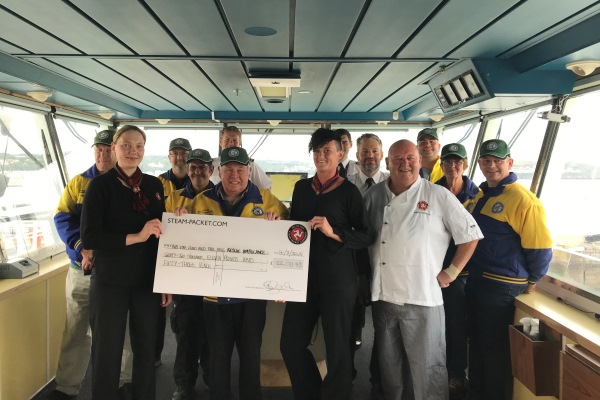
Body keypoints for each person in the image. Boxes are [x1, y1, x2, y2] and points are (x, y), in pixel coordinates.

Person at [363, 139, 482, 400]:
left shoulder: (438, 195)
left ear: (419, 161)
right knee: (390, 368)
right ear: (387, 163)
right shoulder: (372, 196)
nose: (404, 163)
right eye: (397, 158)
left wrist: (451, 272)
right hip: (383, 296)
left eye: (410, 158)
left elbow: (470, 235)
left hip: (423, 298)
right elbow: (361, 237)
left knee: (428, 368)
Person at [180, 146, 288, 400]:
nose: (234, 175)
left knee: (250, 358)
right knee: (217, 360)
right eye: (229, 170)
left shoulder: (267, 200)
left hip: (251, 299)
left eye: (240, 170)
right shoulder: (201, 200)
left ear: (249, 171)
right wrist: (181, 222)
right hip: (214, 298)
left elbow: (287, 240)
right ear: (219, 171)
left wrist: (279, 222)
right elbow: (187, 241)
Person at [280, 128, 375, 400]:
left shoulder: (349, 191)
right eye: (317, 151)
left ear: (340, 154)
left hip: (338, 281)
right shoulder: (301, 188)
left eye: (327, 151)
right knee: (290, 344)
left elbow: (367, 235)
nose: (321, 156)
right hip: (303, 280)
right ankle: (311, 392)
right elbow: (293, 232)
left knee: (339, 349)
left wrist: (335, 232)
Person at [81, 125, 172, 400]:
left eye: (139, 146)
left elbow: (160, 237)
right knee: (107, 351)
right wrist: (136, 236)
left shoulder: (154, 186)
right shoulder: (99, 186)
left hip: (146, 281)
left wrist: (166, 280)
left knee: (146, 351)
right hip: (110, 281)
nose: (133, 151)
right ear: (113, 149)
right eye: (126, 146)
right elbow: (90, 236)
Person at [463, 139, 552, 400]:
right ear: (479, 164)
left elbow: (540, 248)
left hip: (502, 287)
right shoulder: (480, 196)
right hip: (478, 282)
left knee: (495, 352)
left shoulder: (524, 200)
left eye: (498, 161)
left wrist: (533, 279)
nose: (491, 166)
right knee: (476, 344)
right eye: (486, 161)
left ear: (509, 163)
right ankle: (476, 393)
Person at [51, 130, 132, 400]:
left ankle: (124, 382)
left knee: (122, 329)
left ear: (115, 150)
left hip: (117, 273)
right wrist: (79, 247)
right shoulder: (78, 184)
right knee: (76, 329)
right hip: (82, 271)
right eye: (98, 149)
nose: (103, 154)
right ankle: (66, 386)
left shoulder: (133, 184)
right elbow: (62, 218)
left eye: (107, 149)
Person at [166, 149, 215, 400]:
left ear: (211, 170)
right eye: (192, 167)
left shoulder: (222, 199)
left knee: (211, 335)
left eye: (202, 167)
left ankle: (211, 378)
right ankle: (184, 384)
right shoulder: (173, 199)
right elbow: (162, 237)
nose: (197, 171)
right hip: (184, 281)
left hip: (213, 283)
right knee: (185, 334)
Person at [434, 143, 480, 400]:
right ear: (441, 165)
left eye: (458, 162)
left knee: (456, 328)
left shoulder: (479, 195)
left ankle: (456, 376)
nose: (453, 166)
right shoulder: (432, 192)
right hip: (434, 273)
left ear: (465, 164)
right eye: (448, 162)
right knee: (433, 328)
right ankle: (433, 374)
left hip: (462, 276)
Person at [346, 133, 389, 394]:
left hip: (384, 262)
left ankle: (379, 378)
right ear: (357, 155)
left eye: (374, 151)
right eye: (364, 152)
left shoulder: (393, 184)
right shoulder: (346, 185)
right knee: (351, 322)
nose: (369, 156)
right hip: (353, 263)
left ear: (381, 155)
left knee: (384, 327)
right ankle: (346, 375)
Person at [156, 137, 192, 366]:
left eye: (183, 153)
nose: (179, 157)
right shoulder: (156, 183)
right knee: (161, 312)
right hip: (165, 255)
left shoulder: (202, 182)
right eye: (175, 153)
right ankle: (155, 356)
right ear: (169, 157)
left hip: (192, 258)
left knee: (190, 316)